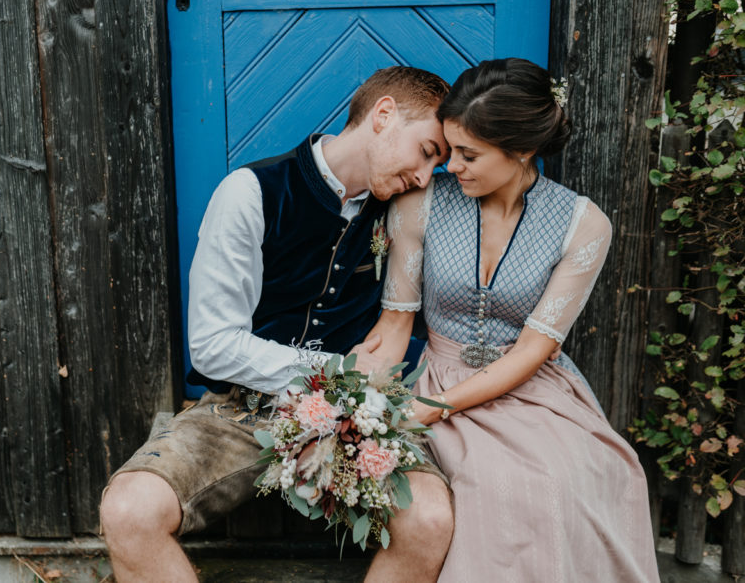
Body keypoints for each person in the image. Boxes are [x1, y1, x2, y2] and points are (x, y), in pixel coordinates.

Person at [100, 66, 456, 582]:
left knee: (429, 517)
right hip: (241, 411)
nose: (425, 177)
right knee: (129, 510)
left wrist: (358, 394)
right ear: (383, 115)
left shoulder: (405, 209)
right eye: (426, 151)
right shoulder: (250, 192)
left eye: (436, 165)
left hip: (360, 415)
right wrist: (336, 369)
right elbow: (212, 347)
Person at [365, 58, 660, 581]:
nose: (449, 166)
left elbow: (531, 351)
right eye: (449, 149)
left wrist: (430, 410)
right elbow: (394, 328)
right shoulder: (418, 207)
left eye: (468, 154)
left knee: (579, 477)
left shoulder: (583, 225)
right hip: (438, 373)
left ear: (522, 150)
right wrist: (355, 403)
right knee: (492, 481)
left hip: (532, 386)